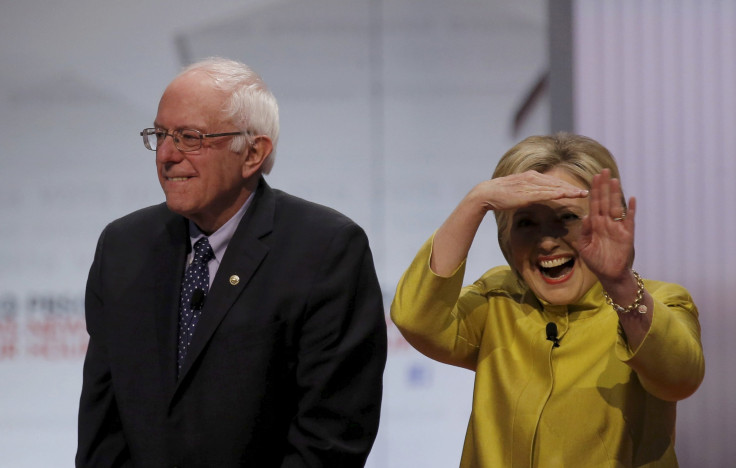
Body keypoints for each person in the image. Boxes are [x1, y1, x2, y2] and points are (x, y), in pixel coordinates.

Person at [76, 57, 387, 467]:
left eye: (189, 137)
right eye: (160, 134)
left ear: (253, 153)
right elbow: (103, 430)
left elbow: (331, 439)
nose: (166, 154)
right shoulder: (123, 248)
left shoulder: (326, 250)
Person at [391, 133, 704, 467]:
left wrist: (619, 283)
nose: (546, 241)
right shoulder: (497, 299)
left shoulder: (659, 301)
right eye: (526, 223)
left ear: (609, 221)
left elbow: (680, 379)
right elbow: (416, 319)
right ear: (506, 240)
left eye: (567, 217)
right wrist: (476, 201)